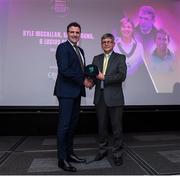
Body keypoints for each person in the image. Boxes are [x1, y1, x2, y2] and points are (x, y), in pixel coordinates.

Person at [54, 22, 92, 172]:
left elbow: (81, 71)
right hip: (66, 93)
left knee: (71, 126)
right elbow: (64, 70)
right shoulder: (63, 48)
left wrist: (89, 80)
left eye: (77, 32)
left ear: (80, 34)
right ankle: (62, 159)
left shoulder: (80, 50)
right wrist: (82, 80)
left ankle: (69, 154)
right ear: (67, 33)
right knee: (64, 126)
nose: (75, 34)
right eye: (72, 32)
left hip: (76, 92)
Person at [92, 33, 127, 166]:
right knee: (101, 127)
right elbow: (94, 76)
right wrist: (90, 81)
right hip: (100, 98)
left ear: (113, 44)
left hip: (115, 99)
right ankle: (102, 151)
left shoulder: (120, 58)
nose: (106, 44)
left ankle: (117, 154)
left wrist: (104, 77)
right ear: (101, 44)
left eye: (109, 42)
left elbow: (122, 76)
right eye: (104, 42)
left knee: (116, 128)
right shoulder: (96, 58)